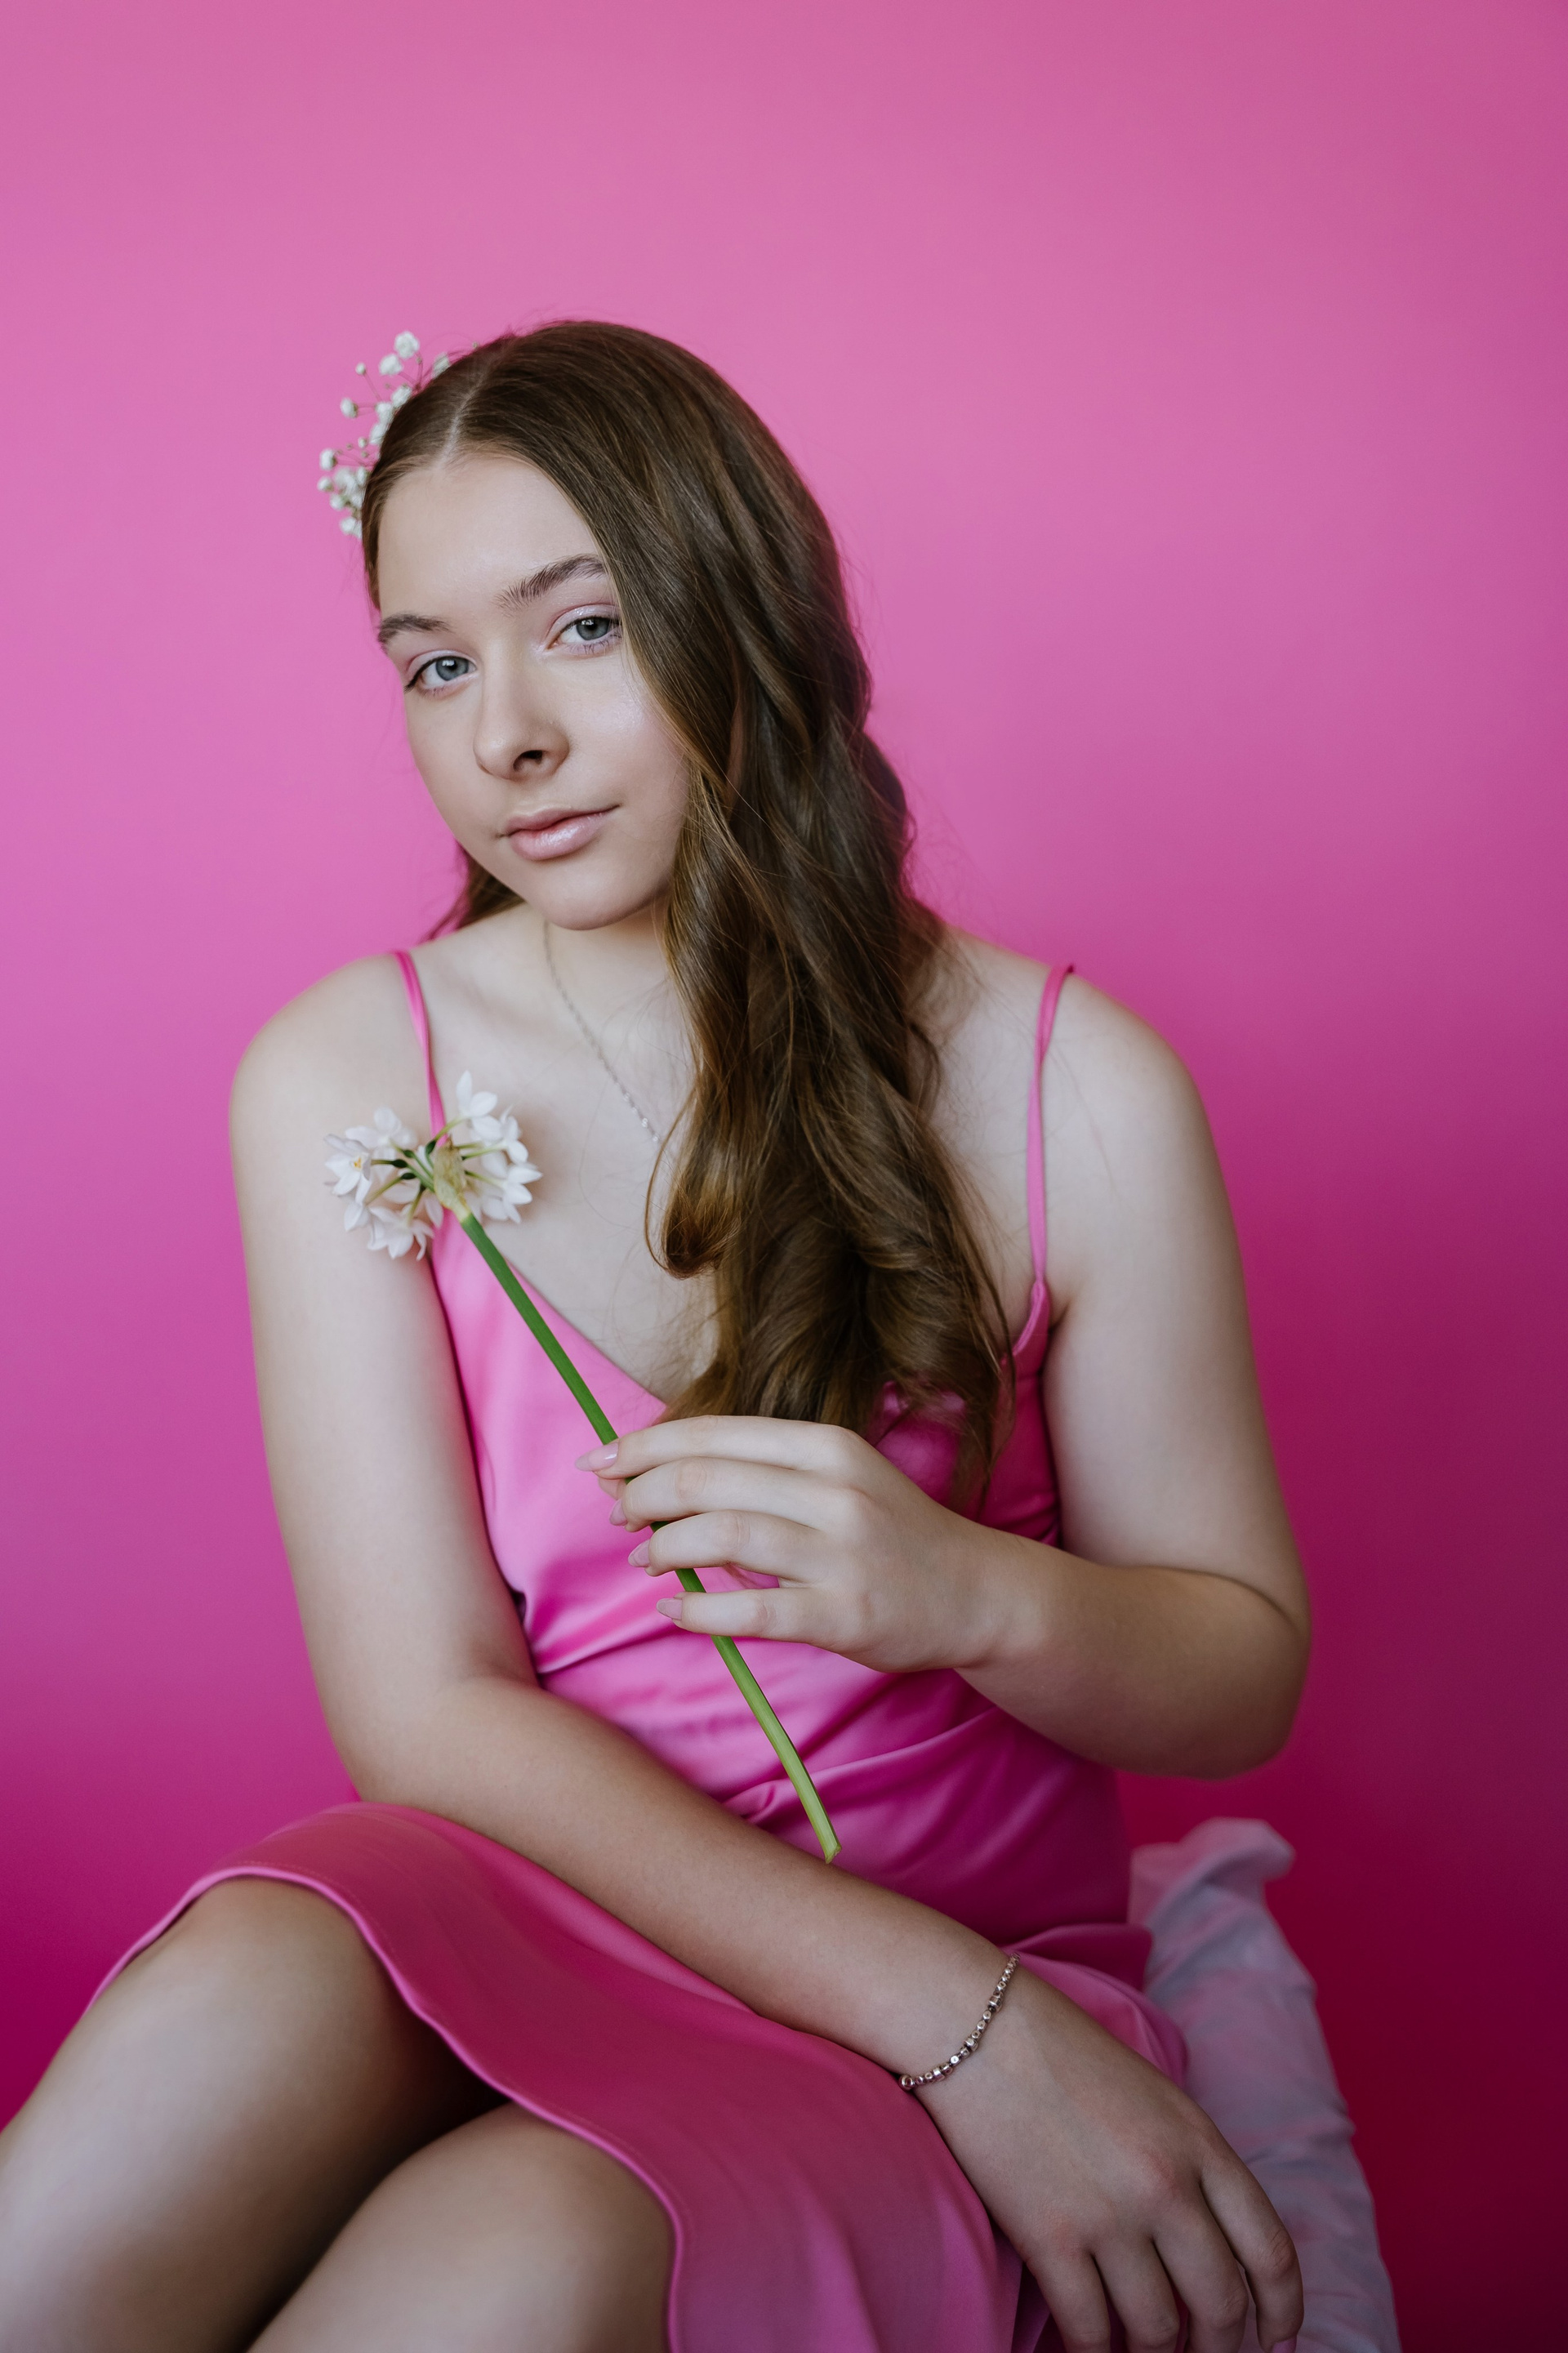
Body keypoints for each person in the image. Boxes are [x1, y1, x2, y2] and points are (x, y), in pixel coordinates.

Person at [0, 323, 1311, 2353]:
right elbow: (425, 1707)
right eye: (434, 664)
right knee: (220, 2010)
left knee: (512, 2255)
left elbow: (1239, 1669)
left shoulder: (1071, 1087)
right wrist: (953, 2026)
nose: (504, 736)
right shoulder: (349, 1075)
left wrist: (965, 1594)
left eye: (584, 626)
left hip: (962, 1951)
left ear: (744, 606)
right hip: (557, 1898)